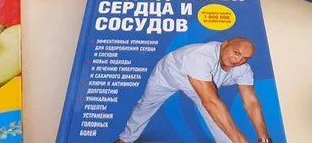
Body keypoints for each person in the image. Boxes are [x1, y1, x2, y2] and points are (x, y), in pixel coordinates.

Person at [116, 38, 272, 143]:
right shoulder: (199, 56)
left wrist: (263, 138)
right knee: (146, 105)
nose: (238, 60)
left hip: (202, 81)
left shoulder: (243, 69)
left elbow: (251, 102)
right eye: (236, 52)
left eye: (245, 57)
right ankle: (126, 139)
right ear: (224, 45)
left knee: (216, 119)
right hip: (169, 73)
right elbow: (210, 102)